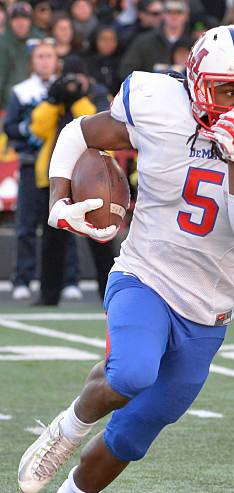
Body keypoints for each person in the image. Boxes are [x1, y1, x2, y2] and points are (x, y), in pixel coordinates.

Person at [18, 25, 234, 493]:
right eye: (227, 90)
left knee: (135, 434)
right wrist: (59, 198)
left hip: (208, 308)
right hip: (146, 274)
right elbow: (78, 134)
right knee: (131, 371)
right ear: (198, 82)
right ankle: (64, 430)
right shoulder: (159, 104)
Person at [29, 56, 116, 305]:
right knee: (52, 240)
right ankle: (48, 295)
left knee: (100, 238)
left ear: (86, 78)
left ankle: (109, 294)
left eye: (76, 78)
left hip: (92, 180)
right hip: (56, 178)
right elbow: (38, 128)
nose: (71, 84)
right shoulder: (55, 98)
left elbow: (97, 128)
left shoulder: (98, 95)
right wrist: (53, 101)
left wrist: (77, 100)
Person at [4, 39, 80, 302]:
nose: (45, 61)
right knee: (26, 225)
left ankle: (69, 279)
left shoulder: (69, 87)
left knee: (66, 222)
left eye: (49, 56)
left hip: (64, 166)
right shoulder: (22, 91)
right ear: (31, 61)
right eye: (40, 56)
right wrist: (30, 132)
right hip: (31, 163)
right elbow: (11, 127)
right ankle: (22, 278)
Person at [119, 0, 191, 78]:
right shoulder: (144, 41)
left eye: (179, 12)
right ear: (163, 14)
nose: (174, 16)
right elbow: (126, 70)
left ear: (186, 15)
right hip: (149, 88)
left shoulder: (193, 43)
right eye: (169, 12)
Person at [0, 2, 42, 110]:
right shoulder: (2, 43)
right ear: (10, 22)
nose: (20, 23)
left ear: (30, 21)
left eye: (24, 18)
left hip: (40, 103)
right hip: (8, 105)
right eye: (15, 18)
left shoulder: (41, 41)